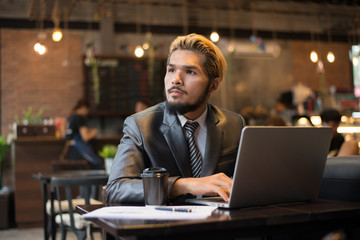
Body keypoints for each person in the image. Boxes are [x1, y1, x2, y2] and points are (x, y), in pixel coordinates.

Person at [106, 33, 245, 204]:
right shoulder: (140, 125)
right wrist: (184, 185)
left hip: (221, 224)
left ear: (213, 85)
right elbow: (116, 188)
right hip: (166, 228)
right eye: (171, 70)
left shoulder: (234, 124)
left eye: (190, 72)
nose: (176, 80)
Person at [65, 99, 102, 169]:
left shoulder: (71, 117)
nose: (87, 113)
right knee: (98, 163)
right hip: (79, 150)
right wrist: (93, 132)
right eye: (87, 110)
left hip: (72, 151)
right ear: (84, 108)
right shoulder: (79, 117)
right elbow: (86, 137)